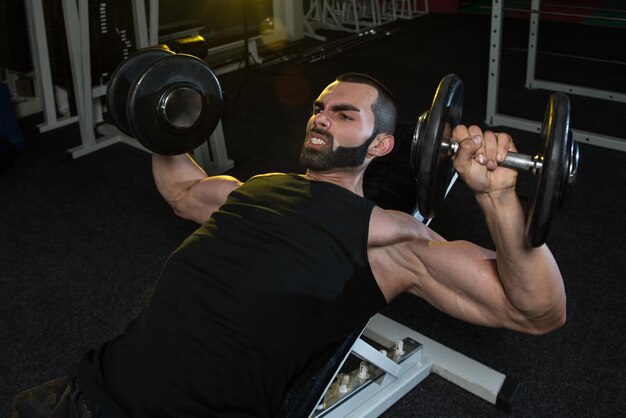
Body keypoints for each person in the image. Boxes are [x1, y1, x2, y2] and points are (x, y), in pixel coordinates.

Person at [37, 73, 567, 417]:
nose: (321, 115)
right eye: (319, 106)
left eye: (343, 114)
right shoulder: (260, 186)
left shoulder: (389, 238)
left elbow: (537, 312)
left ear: (381, 144)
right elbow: (182, 191)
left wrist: (498, 198)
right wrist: (168, 118)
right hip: (84, 389)